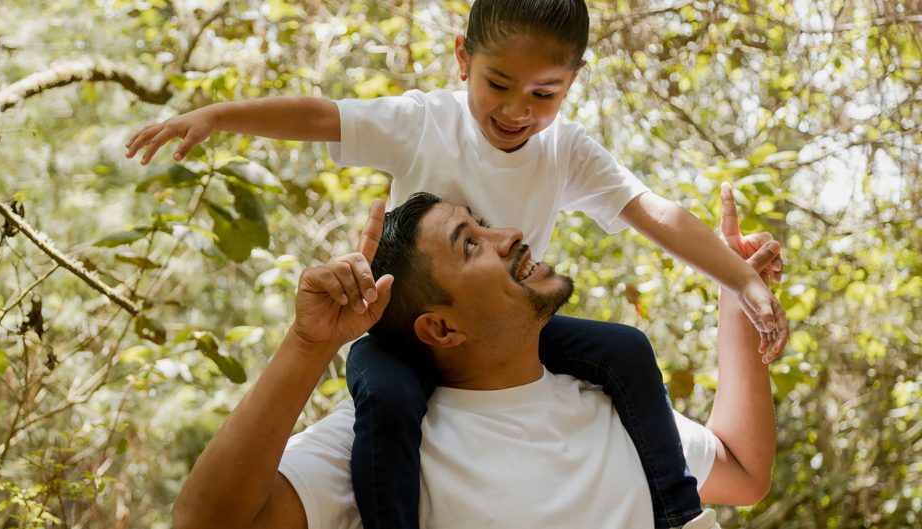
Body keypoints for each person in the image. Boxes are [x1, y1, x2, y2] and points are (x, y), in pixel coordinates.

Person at [128, 1, 787, 527]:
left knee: (627, 348)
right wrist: (218, 116)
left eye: (543, 94)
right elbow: (321, 116)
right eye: (498, 84)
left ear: (572, 84)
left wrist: (740, 281)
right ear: (462, 59)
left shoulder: (566, 153)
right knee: (384, 396)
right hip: (397, 333)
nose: (516, 111)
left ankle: (676, 507)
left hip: (500, 333)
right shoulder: (421, 122)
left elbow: (655, 211)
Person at [173, 191, 778, 529]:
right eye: (471, 243)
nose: (510, 233)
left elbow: (743, 474)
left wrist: (735, 296)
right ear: (440, 327)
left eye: (484, 225)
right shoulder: (388, 442)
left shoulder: (612, 399)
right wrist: (309, 345)